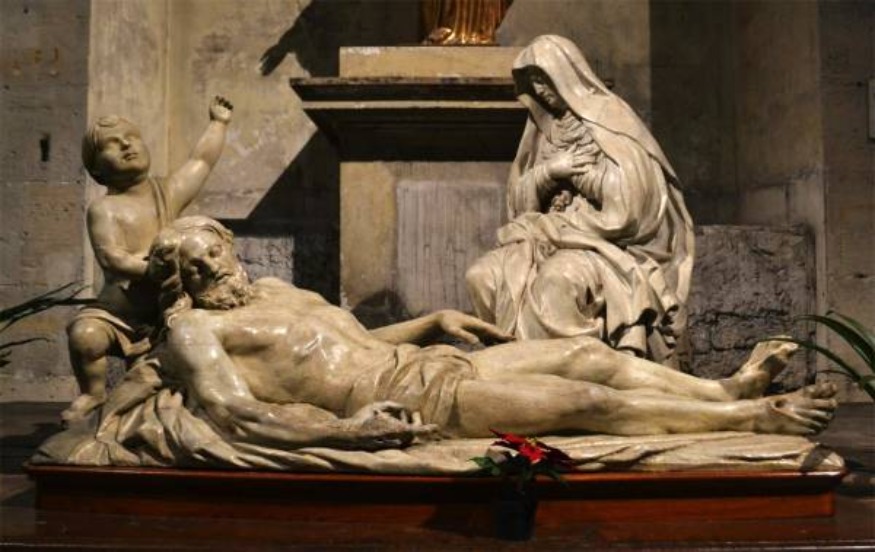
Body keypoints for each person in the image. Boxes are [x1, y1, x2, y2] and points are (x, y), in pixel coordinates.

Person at [142, 217, 834, 451]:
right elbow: (235, 412)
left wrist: (431, 322)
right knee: (584, 404)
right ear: (178, 279)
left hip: (421, 361)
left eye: (214, 250)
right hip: (412, 402)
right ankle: (754, 419)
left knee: (587, 353)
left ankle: (722, 389)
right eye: (194, 264)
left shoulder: (275, 290)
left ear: (228, 245)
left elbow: (349, 339)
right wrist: (346, 432)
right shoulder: (196, 329)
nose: (213, 266)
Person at [466, 35, 694, 365]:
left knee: (557, 280)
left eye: (545, 78)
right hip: (544, 234)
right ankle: (515, 368)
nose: (541, 89)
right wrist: (549, 172)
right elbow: (519, 203)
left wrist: (582, 177)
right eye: (534, 82)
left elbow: (635, 198)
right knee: (483, 277)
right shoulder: (542, 128)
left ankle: (574, 371)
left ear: (565, 72)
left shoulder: (610, 117)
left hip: (600, 239)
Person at [62, 97, 234, 423]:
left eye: (131, 137)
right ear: (96, 170)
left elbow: (201, 161)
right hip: (117, 313)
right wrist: (151, 269)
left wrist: (218, 123)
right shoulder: (104, 209)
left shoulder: (165, 193)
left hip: (162, 313)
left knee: (150, 380)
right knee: (85, 336)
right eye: (112, 144)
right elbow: (112, 258)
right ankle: (92, 393)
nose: (126, 145)